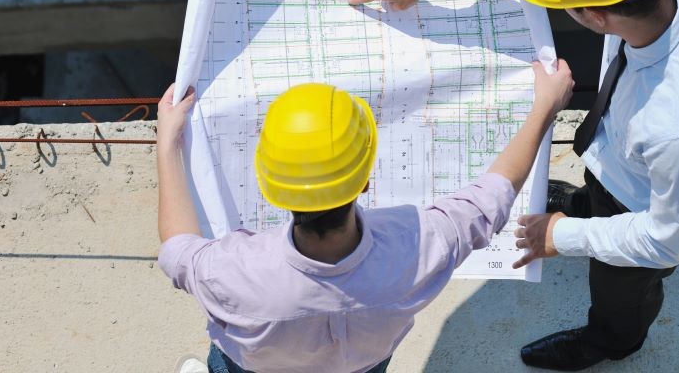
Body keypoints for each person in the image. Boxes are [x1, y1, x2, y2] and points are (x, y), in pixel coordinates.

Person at [349, 0, 679, 370]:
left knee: (622, 289)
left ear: (594, 16)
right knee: (594, 194)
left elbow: (666, 239)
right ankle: (585, 203)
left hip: (649, 198)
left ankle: (610, 342)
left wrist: (560, 237)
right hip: (632, 160)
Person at [156, 59, 574, 372]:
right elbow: (492, 199)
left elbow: (177, 249)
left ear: (275, 191)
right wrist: (544, 109)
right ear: (363, 183)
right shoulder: (418, 244)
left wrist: (168, 138)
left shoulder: (231, 270)